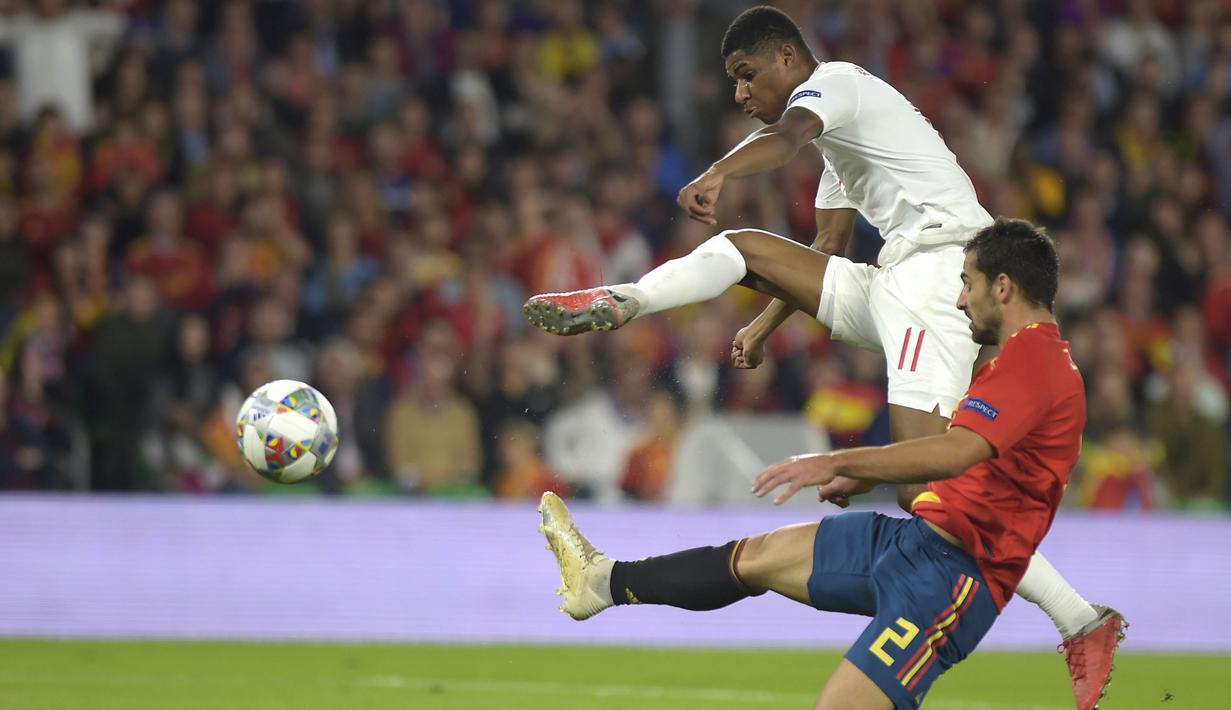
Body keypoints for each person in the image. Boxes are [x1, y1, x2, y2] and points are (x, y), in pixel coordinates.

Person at [523, 7, 1122, 707]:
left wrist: (717, 171)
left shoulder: (833, 86)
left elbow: (785, 136)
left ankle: (1079, 618)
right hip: (896, 282)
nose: (741, 94)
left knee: (919, 484)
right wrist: (767, 323)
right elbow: (827, 250)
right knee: (742, 250)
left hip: (939, 278)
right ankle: (624, 300)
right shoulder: (843, 148)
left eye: (746, 76)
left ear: (785, 58)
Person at [539, 219, 1121, 709]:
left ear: (1003, 286)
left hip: (955, 583)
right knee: (757, 559)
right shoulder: (1017, 361)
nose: (958, 298)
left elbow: (955, 450)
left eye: (966, 283)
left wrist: (834, 460)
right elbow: (962, 460)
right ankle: (602, 581)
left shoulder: (1036, 365)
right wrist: (866, 474)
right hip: (914, 544)